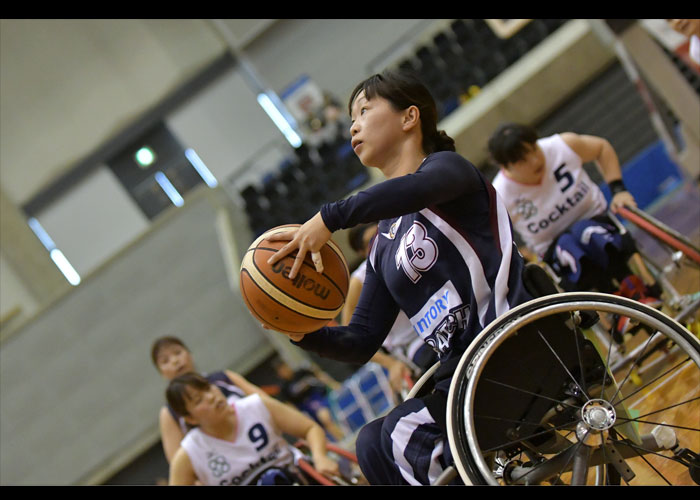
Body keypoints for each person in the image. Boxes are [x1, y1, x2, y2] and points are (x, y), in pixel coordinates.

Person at [264, 70, 533, 485]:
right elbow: (360, 340)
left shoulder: (448, 171)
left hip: (507, 346)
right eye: (352, 117)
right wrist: (299, 330)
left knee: (401, 434)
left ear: (410, 117)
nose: (353, 125)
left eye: (364, 111)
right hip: (460, 375)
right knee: (370, 441)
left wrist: (331, 217)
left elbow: (412, 191)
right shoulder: (383, 244)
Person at [487, 122, 661, 298]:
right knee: (568, 245)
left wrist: (618, 190)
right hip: (555, 250)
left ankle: (631, 283)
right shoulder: (499, 195)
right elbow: (492, 237)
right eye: (523, 159)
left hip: (597, 221)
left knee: (585, 232)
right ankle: (611, 301)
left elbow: (601, 148)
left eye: (534, 148)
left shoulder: (562, 145)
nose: (535, 160)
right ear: (507, 167)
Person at [166, 372, 340, 485]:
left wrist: (319, 457)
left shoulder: (256, 405)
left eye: (208, 388)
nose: (211, 396)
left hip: (297, 478)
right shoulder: (189, 453)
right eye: (198, 400)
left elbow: (310, 428)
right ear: (190, 418)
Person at [343, 223, 438, 393]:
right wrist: (390, 363)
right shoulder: (358, 282)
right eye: (370, 241)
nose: (378, 243)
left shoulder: (407, 246)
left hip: (442, 319)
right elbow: (349, 340)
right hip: (413, 344)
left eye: (380, 236)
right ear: (361, 252)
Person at [151, 336, 267, 464]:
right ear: (161, 373)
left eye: (178, 352)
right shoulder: (169, 412)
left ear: (190, 354)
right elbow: (177, 464)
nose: (175, 361)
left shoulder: (223, 378)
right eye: (165, 361)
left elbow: (267, 404)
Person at [272, 359, 345, 442]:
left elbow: (318, 374)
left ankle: (343, 439)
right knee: (319, 432)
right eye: (281, 370)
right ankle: (339, 445)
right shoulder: (284, 388)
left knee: (325, 418)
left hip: (316, 398)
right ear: (279, 374)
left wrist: (333, 384)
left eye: (284, 367)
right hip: (304, 408)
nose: (284, 371)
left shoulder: (302, 373)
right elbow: (289, 405)